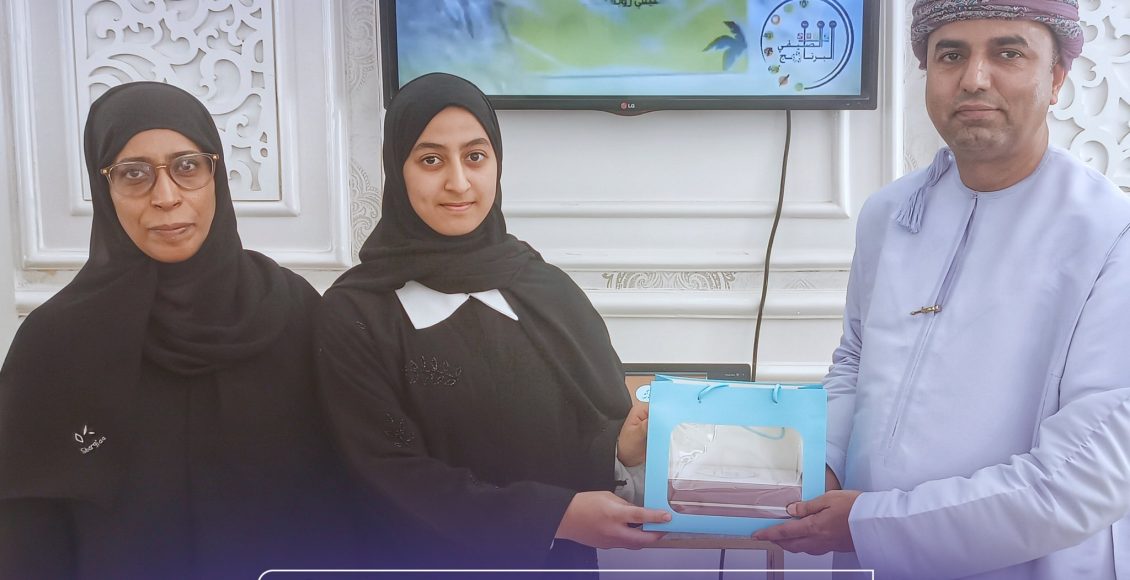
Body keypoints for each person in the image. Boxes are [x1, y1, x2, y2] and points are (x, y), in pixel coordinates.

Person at [754, 1, 1130, 579]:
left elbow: (1088, 475)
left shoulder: (1110, 234)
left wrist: (875, 524)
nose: (974, 78)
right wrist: (824, 463)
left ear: (1056, 77)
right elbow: (855, 363)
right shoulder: (889, 213)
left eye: (1008, 53)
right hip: (872, 558)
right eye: (951, 55)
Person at [0, 81, 363, 579]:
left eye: (187, 167)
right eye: (134, 174)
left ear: (216, 175)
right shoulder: (55, 342)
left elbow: (347, 488)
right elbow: (26, 531)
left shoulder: (292, 310)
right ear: (104, 189)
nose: (166, 197)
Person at [315, 72, 667, 575]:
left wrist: (619, 449)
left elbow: (578, 430)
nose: (459, 182)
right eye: (431, 160)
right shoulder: (356, 314)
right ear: (397, 168)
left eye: (475, 156)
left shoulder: (547, 291)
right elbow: (385, 472)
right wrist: (553, 517)